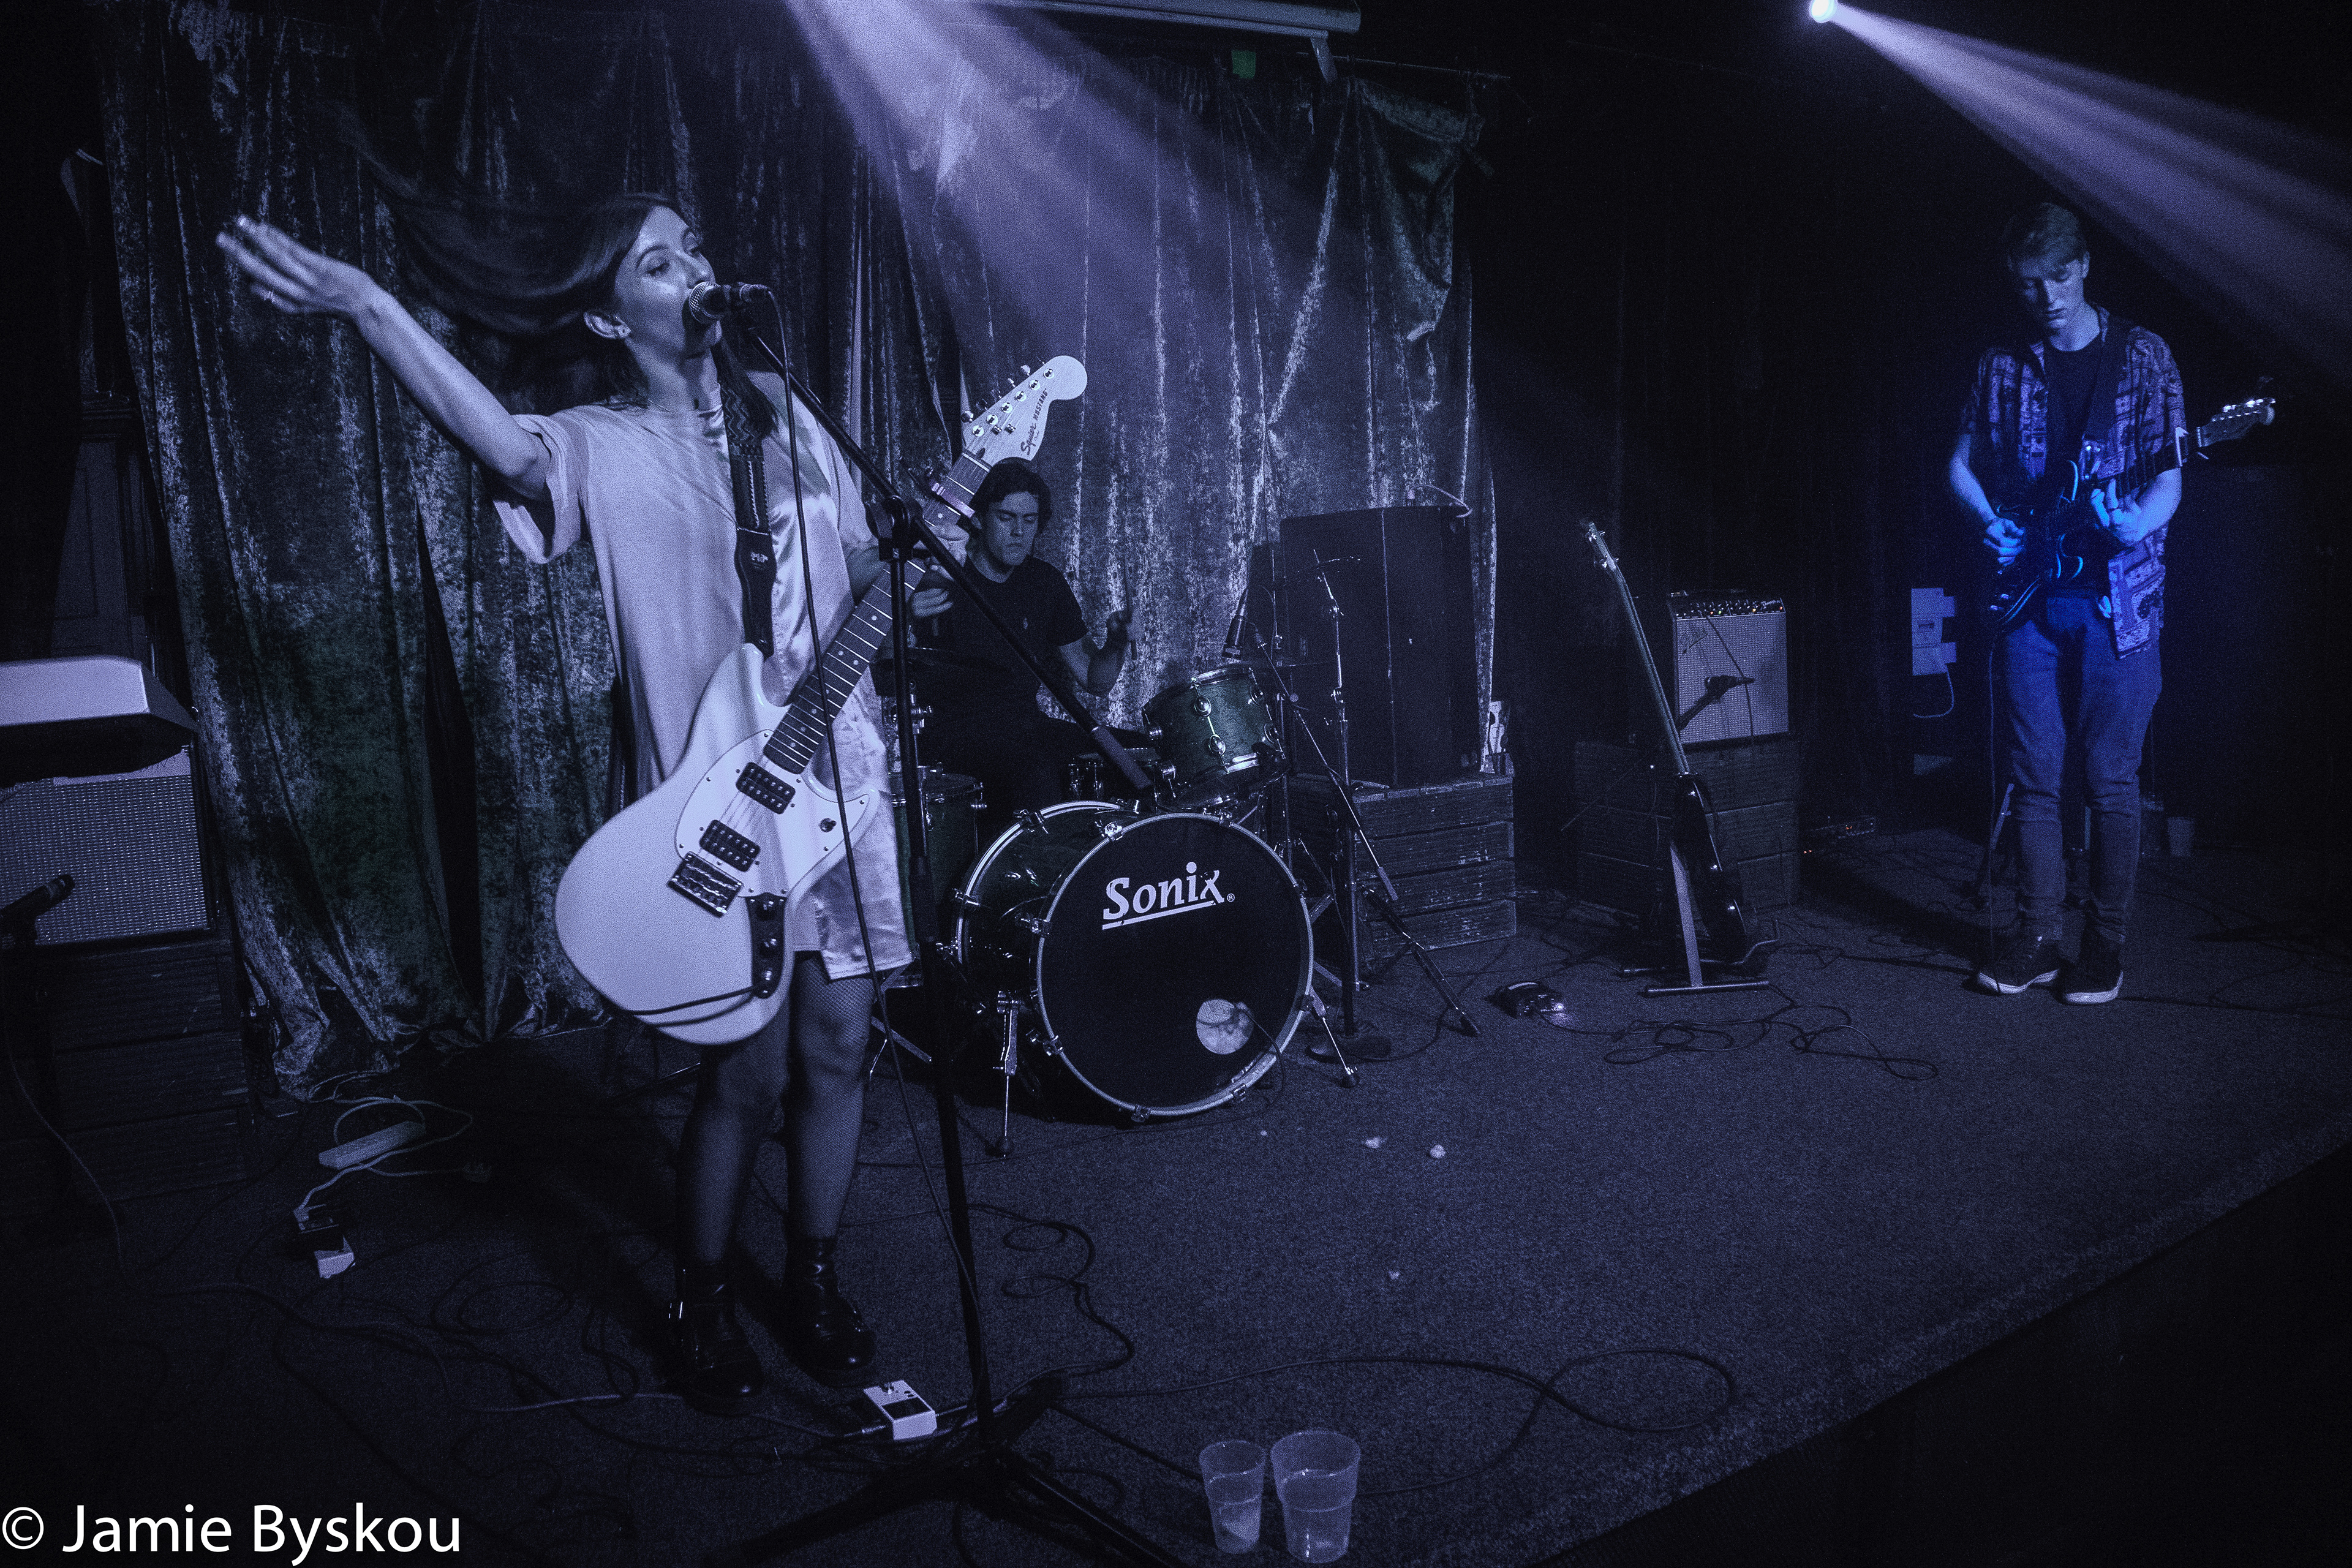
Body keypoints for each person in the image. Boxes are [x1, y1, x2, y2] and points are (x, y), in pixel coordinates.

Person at [219, 194, 947, 1412]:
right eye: (659, 262)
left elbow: (862, 566)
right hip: (726, 806)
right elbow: (499, 445)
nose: (696, 269)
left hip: (847, 783)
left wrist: (916, 562)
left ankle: (811, 1276)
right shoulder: (597, 444)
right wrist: (368, 305)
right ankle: (704, 1292)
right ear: (615, 317)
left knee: (840, 1045)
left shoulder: (794, 420)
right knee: (746, 1073)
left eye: (699, 247)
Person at [1949, 202, 2185, 1005]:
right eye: (2028, 283)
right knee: (2035, 775)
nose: (2046, 297)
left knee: (2109, 778)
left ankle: (2106, 943)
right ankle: (2039, 934)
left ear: (2083, 265)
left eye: (2058, 276)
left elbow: (2170, 477)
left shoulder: (2145, 357)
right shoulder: (2001, 366)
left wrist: (2134, 523)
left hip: (2119, 603)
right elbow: (1961, 464)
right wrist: (1992, 527)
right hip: (2027, 604)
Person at [913, 458, 1135, 837]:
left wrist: (1116, 643)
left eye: (1029, 521)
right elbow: (884, 668)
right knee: (1036, 770)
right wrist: (905, 619)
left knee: (1136, 759)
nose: (1019, 532)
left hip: (1027, 728)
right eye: (1006, 518)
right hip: (953, 737)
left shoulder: (1043, 582)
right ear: (979, 520)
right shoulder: (940, 576)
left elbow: (1094, 681)